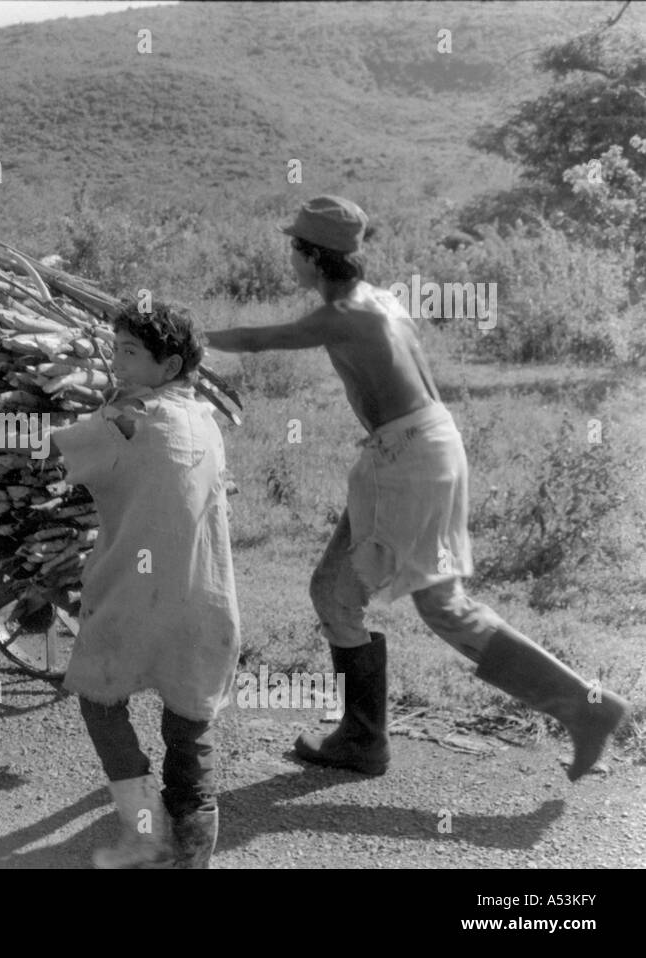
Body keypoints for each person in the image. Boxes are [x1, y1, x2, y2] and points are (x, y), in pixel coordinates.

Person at [204, 195, 630, 781]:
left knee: (441, 606)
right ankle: (363, 738)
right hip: (427, 445)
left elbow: (256, 341)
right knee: (335, 592)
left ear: (310, 256)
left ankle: (585, 708)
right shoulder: (382, 302)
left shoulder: (342, 314)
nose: (290, 259)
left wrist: (187, 338)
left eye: (293, 248)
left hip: (405, 458)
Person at [47, 302, 241, 869]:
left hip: (135, 597)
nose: (115, 360)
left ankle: (143, 829)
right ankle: (192, 849)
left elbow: (56, 453)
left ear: (170, 363)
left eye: (129, 352)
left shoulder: (125, 421)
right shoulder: (204, 417)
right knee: (189, 723)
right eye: (116, 347)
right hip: (206, 599)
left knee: (98, 696)